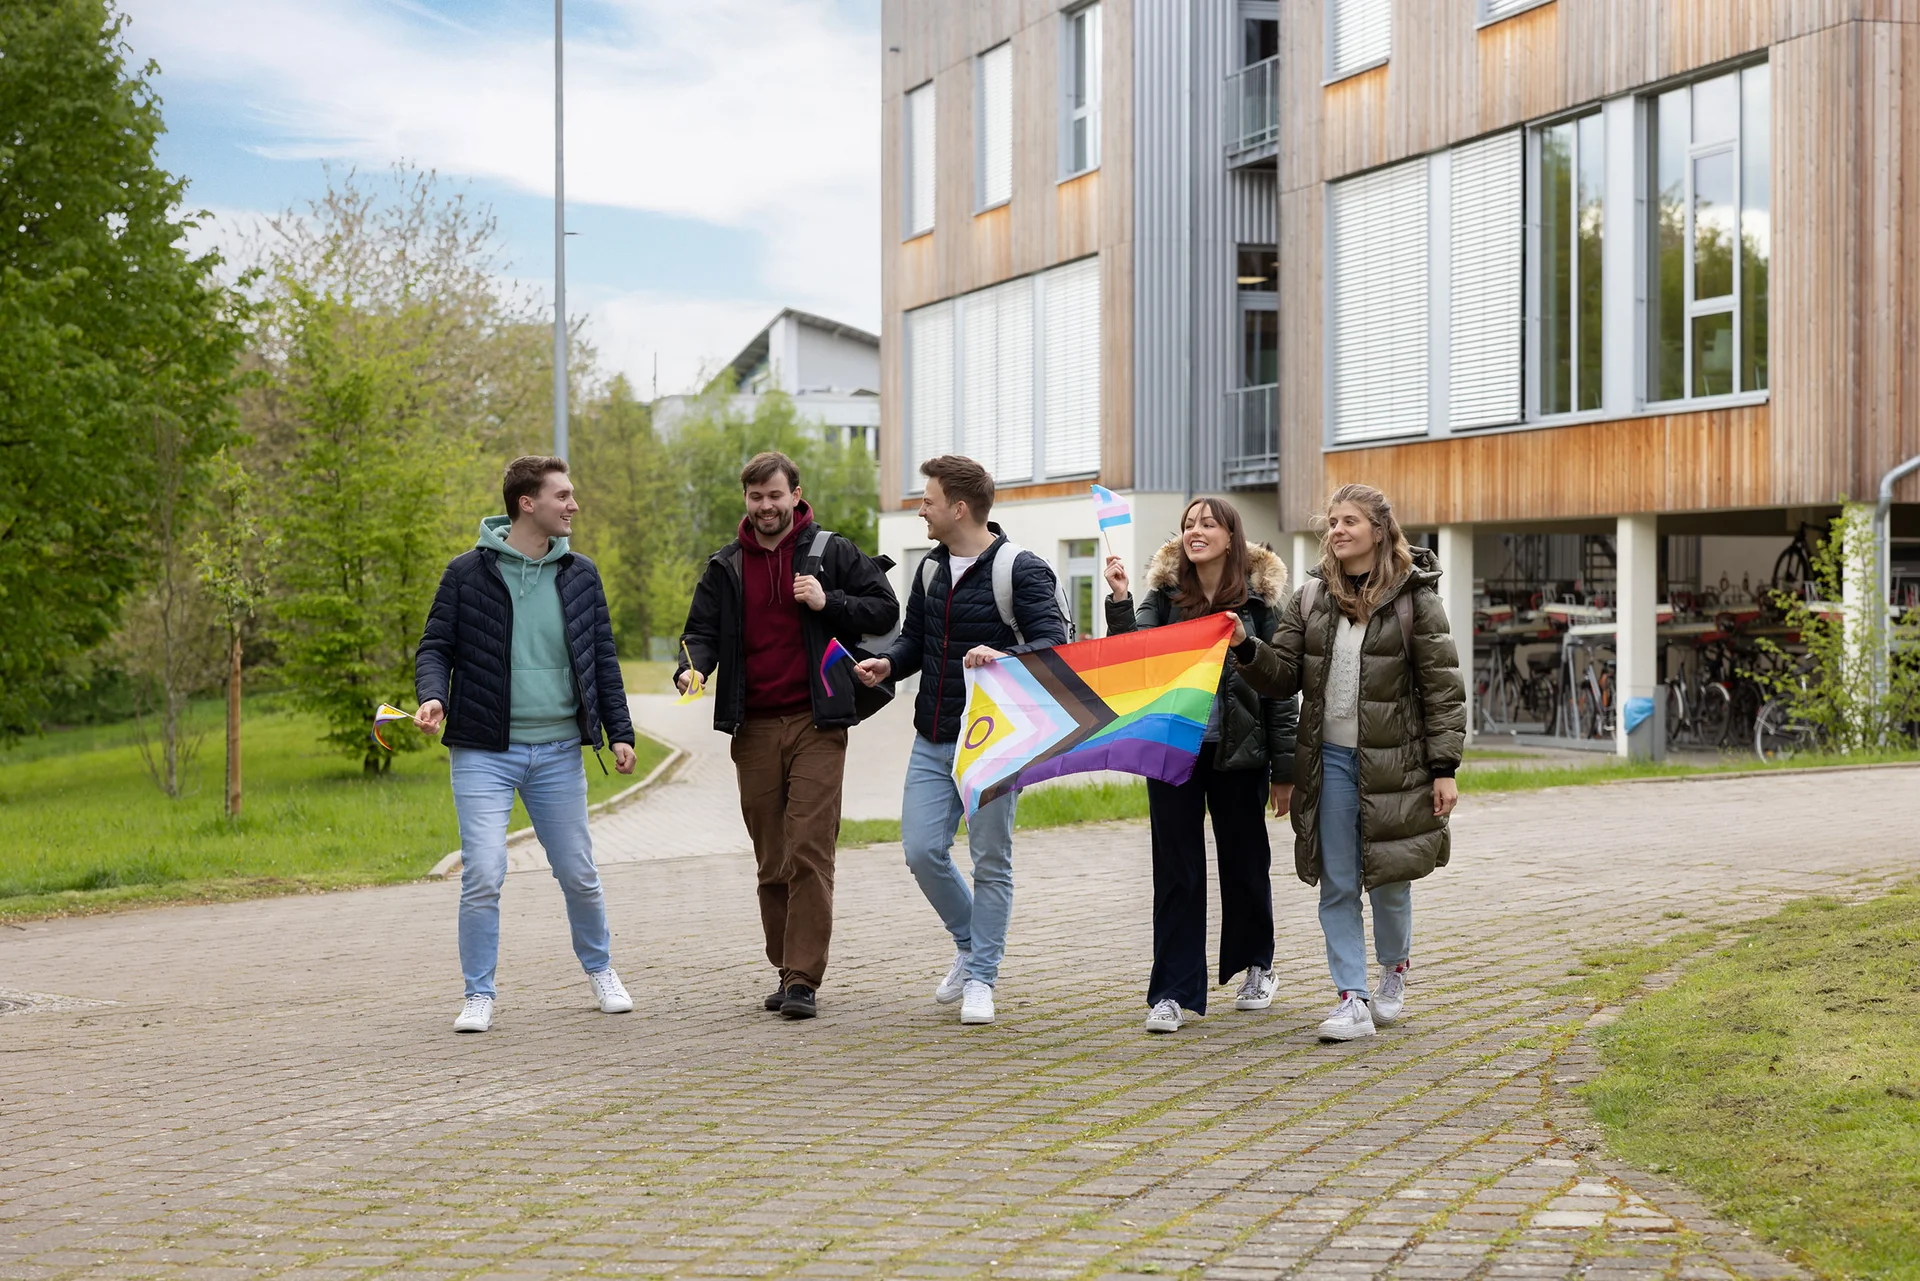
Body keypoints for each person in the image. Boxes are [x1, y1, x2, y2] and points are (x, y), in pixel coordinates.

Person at [1229, 483, 1465, 1043]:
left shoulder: (1416, 600)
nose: (1336, 530)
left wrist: (1444, 767)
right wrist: (1244, 647)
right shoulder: (1310, 598)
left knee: (1389, 880)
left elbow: (1442, 690)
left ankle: (1393, 970)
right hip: (1327, 760)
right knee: (1337, 880)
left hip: (1396, 764)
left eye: (1349, 521)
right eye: (1332, 521)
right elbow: (1284, 675)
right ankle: (1351, 999)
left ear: (1378, 531)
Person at [414, 455, 639, 1034]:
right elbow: (435, 646)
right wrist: (434, 694)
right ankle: (478, 993)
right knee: (484, 871)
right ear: (527, 504)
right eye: (563, 495)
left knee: (578, 872)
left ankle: (602, 969)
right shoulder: (466, 574)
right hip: (484, 752)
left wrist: (620, 732)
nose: (574, 504)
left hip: (560, 751)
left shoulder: (581, 574)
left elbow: (603, 658)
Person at [674, 451, 899, 1021]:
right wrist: (691, 667)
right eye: (756, 497)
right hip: (752, 727)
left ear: (796, 494)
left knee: (808, 847)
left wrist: (831, 601)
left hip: (817, 721)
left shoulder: (831, 552)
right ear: (745, 500)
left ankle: (803, 978)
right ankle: (784, 966)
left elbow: (883, 610)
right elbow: (699, 633)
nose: (767, 507)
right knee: (771, 856)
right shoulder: (726, 565)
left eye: (776, 495)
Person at [852, 455, 1068, 1027]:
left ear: (959, 507)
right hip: (933, 733)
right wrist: (886, 666)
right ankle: (972, 945)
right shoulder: (929, 568)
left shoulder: (1020, 568)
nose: (921, 508)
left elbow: (1054, 645)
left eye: (928, 500)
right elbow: (917, 643)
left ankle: (982, 978)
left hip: (995, 742)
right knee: (922, 851)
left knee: (990, 860)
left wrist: (1002, 656)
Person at [1103, 496, 1298, 1034]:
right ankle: (1171, 991)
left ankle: (1257, 964)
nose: (1196, 531)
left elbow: (1281, 688)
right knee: (1176, 872)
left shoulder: (1260, 604)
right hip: (1174, 752)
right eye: (1189, 524)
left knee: (1245, 863)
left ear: (1231, 536)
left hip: (1241, 756)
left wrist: (1285, 771)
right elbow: (1131, 657)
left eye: (1208, 524)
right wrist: (1120, 599)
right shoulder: (1165, 596)